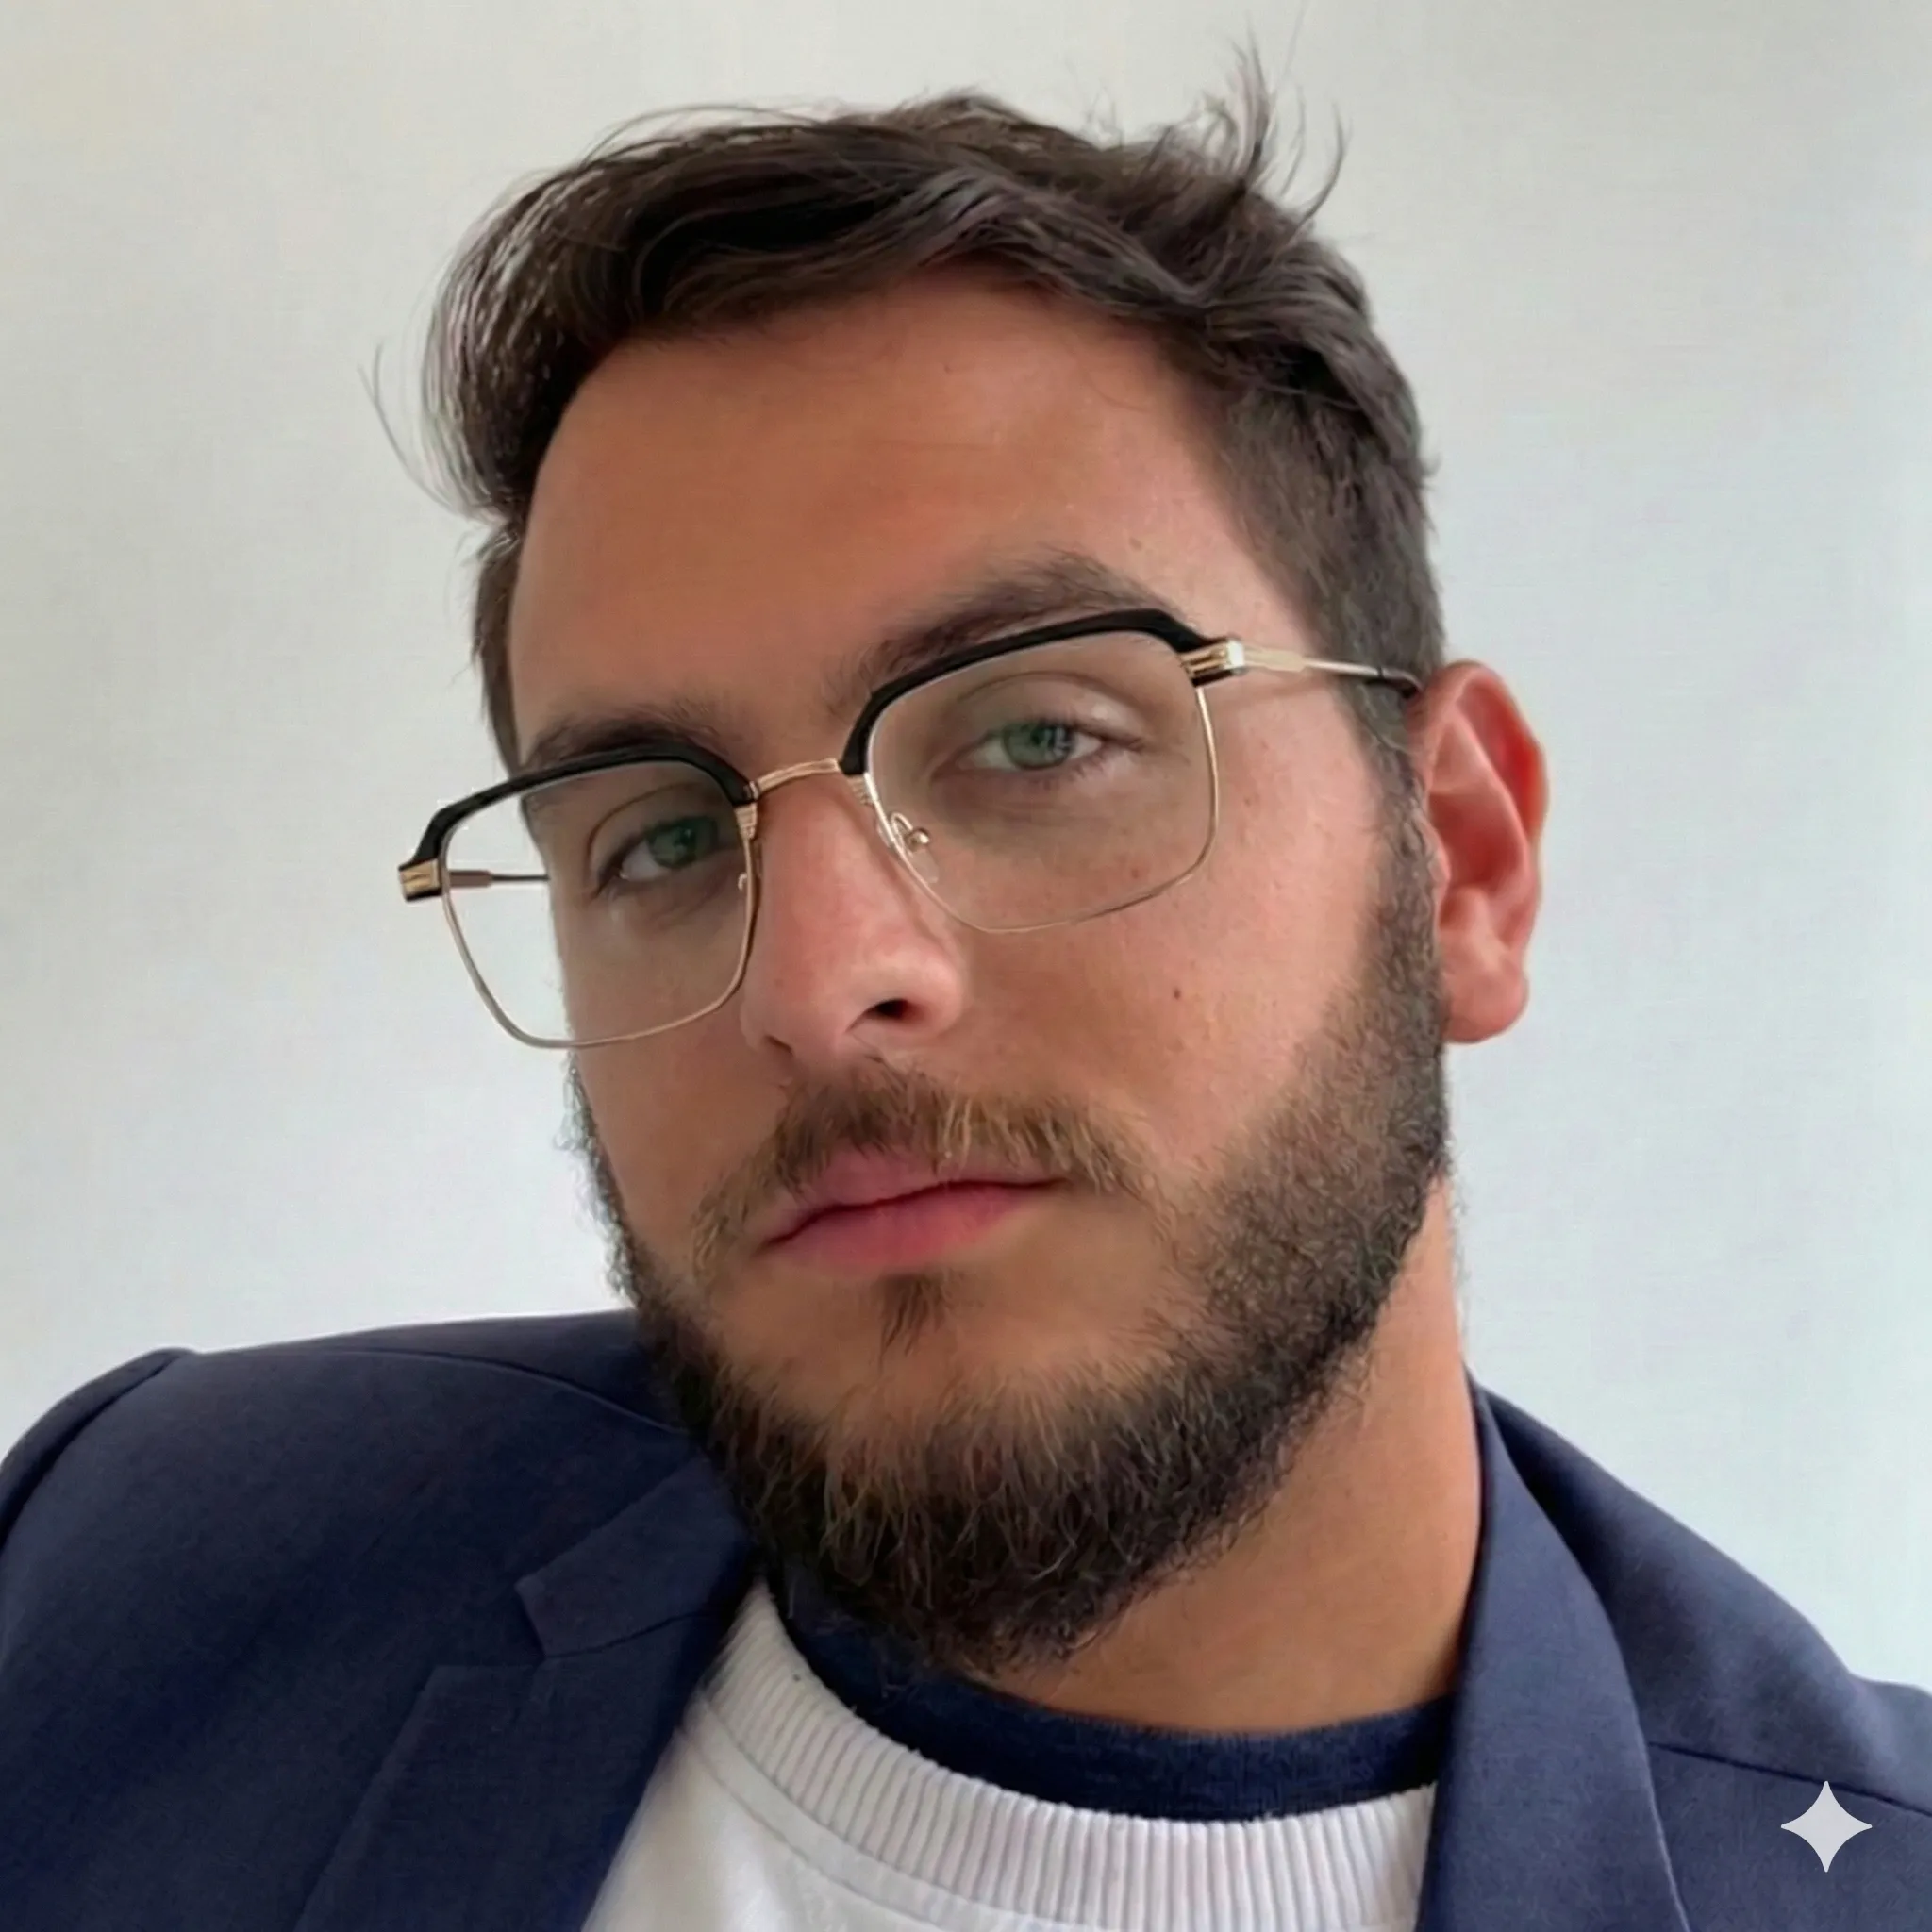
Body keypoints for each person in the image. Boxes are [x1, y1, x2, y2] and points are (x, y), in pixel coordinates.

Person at [2, 77, 1926, 1932]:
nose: (819, 984)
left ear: (1460, 864)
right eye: (661, 838)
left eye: (1036, 738)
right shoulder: (129, 1568)